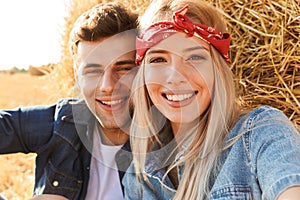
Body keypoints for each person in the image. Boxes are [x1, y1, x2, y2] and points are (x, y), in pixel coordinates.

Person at [122, 0, 300, 199]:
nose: (175, 76)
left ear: (217, 68)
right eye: (158, 59)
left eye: (195, 57)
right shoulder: (139, 179)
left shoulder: (261, 133)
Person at [0, 2, 137, 199]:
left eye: (124, 68)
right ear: (77, 76)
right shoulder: (61, 124)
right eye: (93, 71)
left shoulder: (171, 141)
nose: (108, 86)